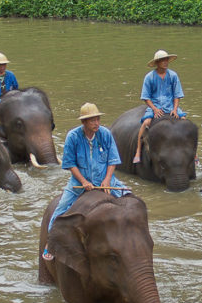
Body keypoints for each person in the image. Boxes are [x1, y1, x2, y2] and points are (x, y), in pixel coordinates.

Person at [42, 103, 130, 260]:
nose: (97, 123)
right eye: (92, 120)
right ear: (84, 122)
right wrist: (83, 181)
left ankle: (132, 240)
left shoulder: (105, 134)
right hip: (79, 182)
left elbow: (113, 160)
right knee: (61, 209)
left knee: (130, 200)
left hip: (105, 179)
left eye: (98, 119)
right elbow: (69, 163)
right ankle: (51, 242)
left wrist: (107, 179)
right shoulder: (73, 137)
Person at [133, 49, 186, 164]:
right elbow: (146, 97)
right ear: (157, 63)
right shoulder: (149, 77)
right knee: (146, 123)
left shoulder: (173, 76)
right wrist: (155, 109)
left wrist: (175, 109)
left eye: (166, 60)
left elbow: (177, 95)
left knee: (184, 121)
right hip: (155, 105)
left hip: (170, 105)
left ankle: (194, 154)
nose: (165, 62)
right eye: (162, 60)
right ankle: (138, 150)